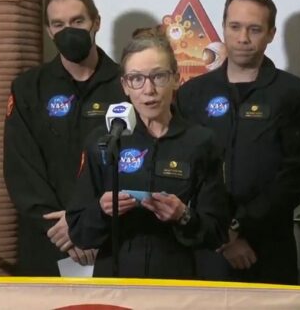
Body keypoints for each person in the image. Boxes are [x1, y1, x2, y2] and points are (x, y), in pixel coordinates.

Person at [176, 0, 300, 284]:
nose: (243, 38)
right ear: (223, 27)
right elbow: (183, 167)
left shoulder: (295, 94)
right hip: (205, 245)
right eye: (235, 27)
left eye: (254, 29)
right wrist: (223, 236)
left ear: (271, 34)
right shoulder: (191, 94)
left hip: (268, 245)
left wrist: (240, 225)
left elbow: (299, 170)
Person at [67, 29, 230, 278]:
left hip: (180, 279)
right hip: (116, 278)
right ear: (125, 86)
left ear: (176, 78)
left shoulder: (201, 141)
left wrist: (183, 216)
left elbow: (217, 231)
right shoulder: (105, 140)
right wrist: (102, 211)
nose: (149, 89)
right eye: (136, 78)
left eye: (159, 76)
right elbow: (78, 230)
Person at [3, 0, 127, 276]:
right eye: (58, 24)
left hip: (111, 240)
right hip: (49, 240)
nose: (68, 31)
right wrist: (62, 229)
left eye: (77, 21)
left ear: (96, 22)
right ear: (48, 30)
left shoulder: (128, 85)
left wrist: (89, 224)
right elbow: (21, 167)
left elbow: (138, 161)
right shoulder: (28, 88)